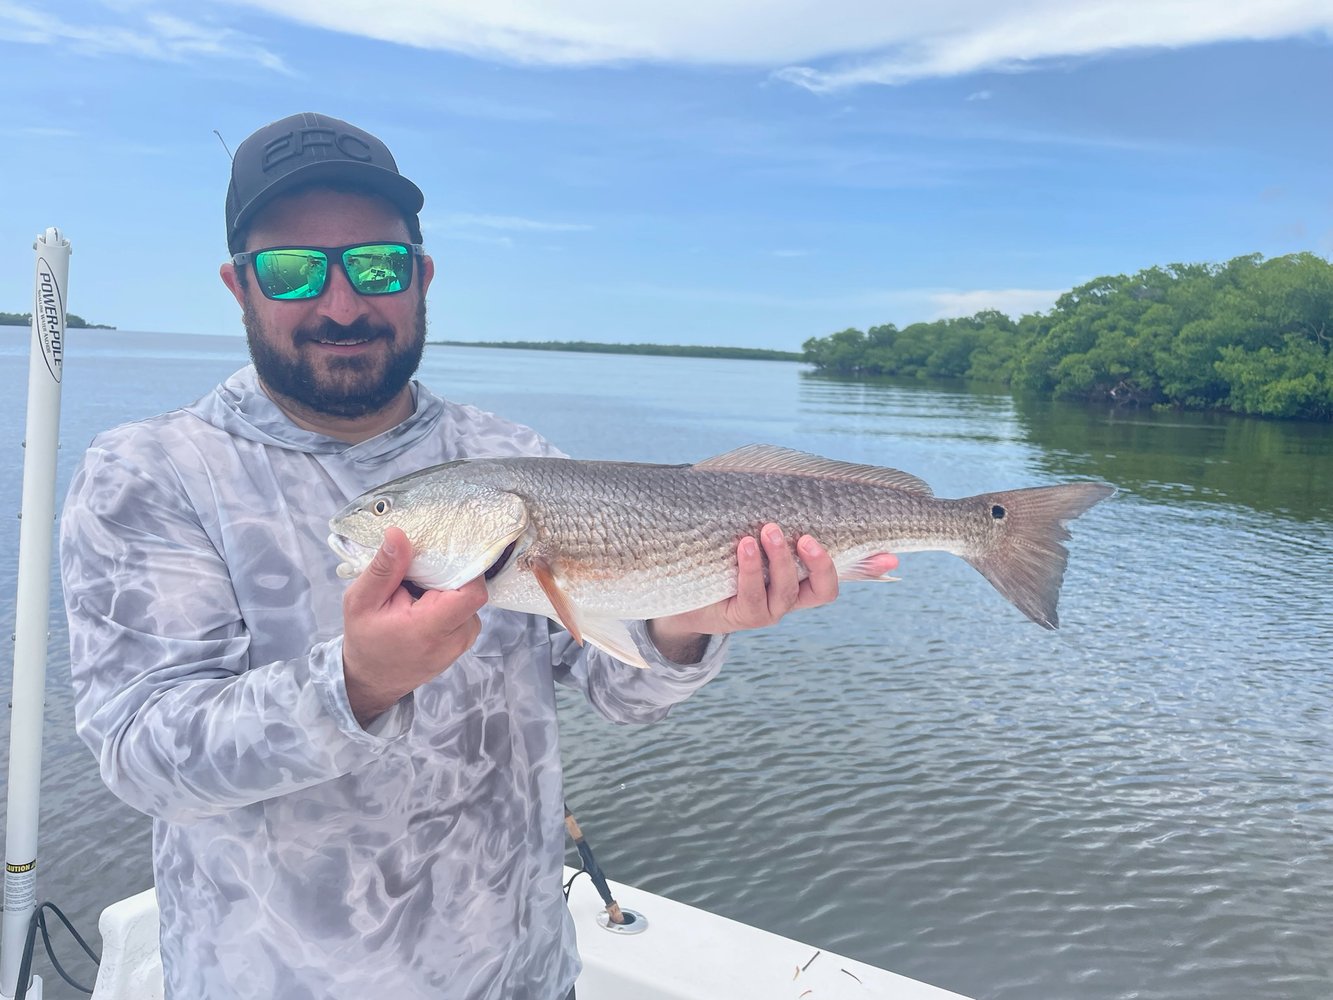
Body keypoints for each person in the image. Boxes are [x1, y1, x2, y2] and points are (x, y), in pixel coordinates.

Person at [60, 111, 896, 1000]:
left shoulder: (510, 451)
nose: (339, 304)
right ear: (239, 287)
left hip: (523, 977)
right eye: (294, 270)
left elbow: (622, 690)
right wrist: (354, 685)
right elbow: (145, 757)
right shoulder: (150, 474)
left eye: (375, 266)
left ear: (420, 277)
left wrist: (687, 622)